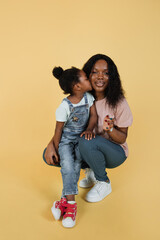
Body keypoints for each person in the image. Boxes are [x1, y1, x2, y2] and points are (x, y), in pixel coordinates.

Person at [44, 66, 97, 228]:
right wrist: (55, 147)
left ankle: (62, 203)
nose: (89, 79)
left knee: (75, 167)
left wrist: (89, 129)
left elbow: (93, 116)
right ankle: (72, 206)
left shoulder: (89, 98)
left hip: (81, 139)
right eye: (86, 78)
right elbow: (58, 129)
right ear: (77, 86)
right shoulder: (64, 106)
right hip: (66, 141)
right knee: (67, 166)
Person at [78, 54, 133, 202]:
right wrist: (53, 144)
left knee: (86, 141)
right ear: (88, 75)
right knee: (54, 153)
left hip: (115, 153)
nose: (100, 77)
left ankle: (104, 182)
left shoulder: (119, 102)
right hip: (90, 148)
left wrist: (110, 129)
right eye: (95, 72)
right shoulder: (82, 99)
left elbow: (122, 138)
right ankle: (91, 172)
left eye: (106, 73)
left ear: (112, 77)